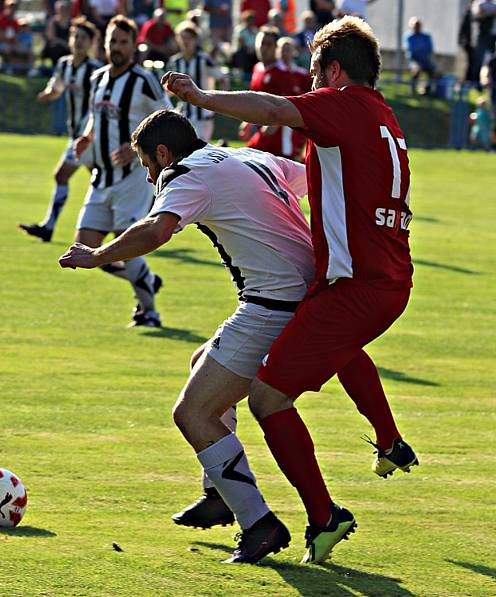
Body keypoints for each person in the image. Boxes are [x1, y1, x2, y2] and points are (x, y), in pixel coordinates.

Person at [163, 15, 418, 564]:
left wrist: (203, 98)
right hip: (379, 279)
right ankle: (390, 441)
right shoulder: (384, 116)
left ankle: (324, 517)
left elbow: (278, 109)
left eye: (313, 71)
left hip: (359, 285)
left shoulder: (344, 102)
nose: (308, 84)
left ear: (333, 69)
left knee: (267, 397)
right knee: (327, 336)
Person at [60, 108, 315, 562]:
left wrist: (97, 255)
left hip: (273, 307)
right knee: (202, 363)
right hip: (302, 296)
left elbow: (156, 230)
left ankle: (259, 523)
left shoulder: (186, 174)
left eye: (146, 166)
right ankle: (220, 494)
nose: (149, 177)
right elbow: (315, 179)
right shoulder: (242, 157)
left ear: (163, 153)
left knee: (192, 414)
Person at [71, 15, 172, 328]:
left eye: (123, 42)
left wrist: (137, 147)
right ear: (105, 44)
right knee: (86, 247)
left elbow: (168, 118)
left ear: (133, 46)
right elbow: (94, 117)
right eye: (112, 41)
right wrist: (87, 137)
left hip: (131, 178)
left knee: (125, 245)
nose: (117, 47)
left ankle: (149, 312)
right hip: (101, 177)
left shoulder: (143, 80)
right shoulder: (97, 78)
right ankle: (146, 278)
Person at [19, 17, 100, 243]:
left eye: (84, 38)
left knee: (63, 175)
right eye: (76, 37)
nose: (78, 42)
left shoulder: (95, 70)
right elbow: (56, 88)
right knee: (102, 179)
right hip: (75, 134)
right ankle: (134, 216)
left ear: (92, 43)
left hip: (88, 136)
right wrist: (46, 94)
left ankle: (49, 227)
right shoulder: (64, 64)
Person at [241, 27, 304, 161]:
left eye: (268, 44)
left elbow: (289, 106)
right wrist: (247, 123)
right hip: (262, 132)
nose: (264, 48)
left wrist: (272, 126)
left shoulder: (283, 73)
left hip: (280, 137)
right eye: (261, 43)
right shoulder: (257, 68)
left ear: (276, 48)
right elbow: (253, 98)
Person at [167, 21, 218, 141]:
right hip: (184, 114)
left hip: (203, 115)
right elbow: (167, 90)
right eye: (182, 37)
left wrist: (215, 101)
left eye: (189, 38)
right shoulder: (175, 62)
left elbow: (222, 79)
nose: (185, 41)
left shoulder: (204, 60)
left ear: (195, 39)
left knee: (199, 151)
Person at [405, 17, 440, 96]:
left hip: (426, 60)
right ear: (411, 27)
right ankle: (412, 90)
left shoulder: (426, 36)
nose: (417, 27)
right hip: (414, 61)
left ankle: (426, 90)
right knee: (416, 69)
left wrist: (420, 49)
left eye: (418, 25)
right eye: (415, 26)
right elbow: (411, 49)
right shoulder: (409, 37)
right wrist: (421, 48)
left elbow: (429, 48)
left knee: (436, 71)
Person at [41, 0, 70, 67]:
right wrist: (63, 43)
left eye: (64, 8)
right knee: (56, 49)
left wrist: (67, 44)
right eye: (61, 9)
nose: (63, 10)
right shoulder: (53, 21)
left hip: (67, 45)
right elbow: (51, 37)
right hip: (57, 45)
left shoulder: (70, 22)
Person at [231, 9, 258, 79]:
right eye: (248, 20)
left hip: (253, 52)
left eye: (252, 20)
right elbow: (242, 42)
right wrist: (249, 49)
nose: (250, 22)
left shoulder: (255, 30)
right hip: (241, 52)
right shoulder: (240, 30)